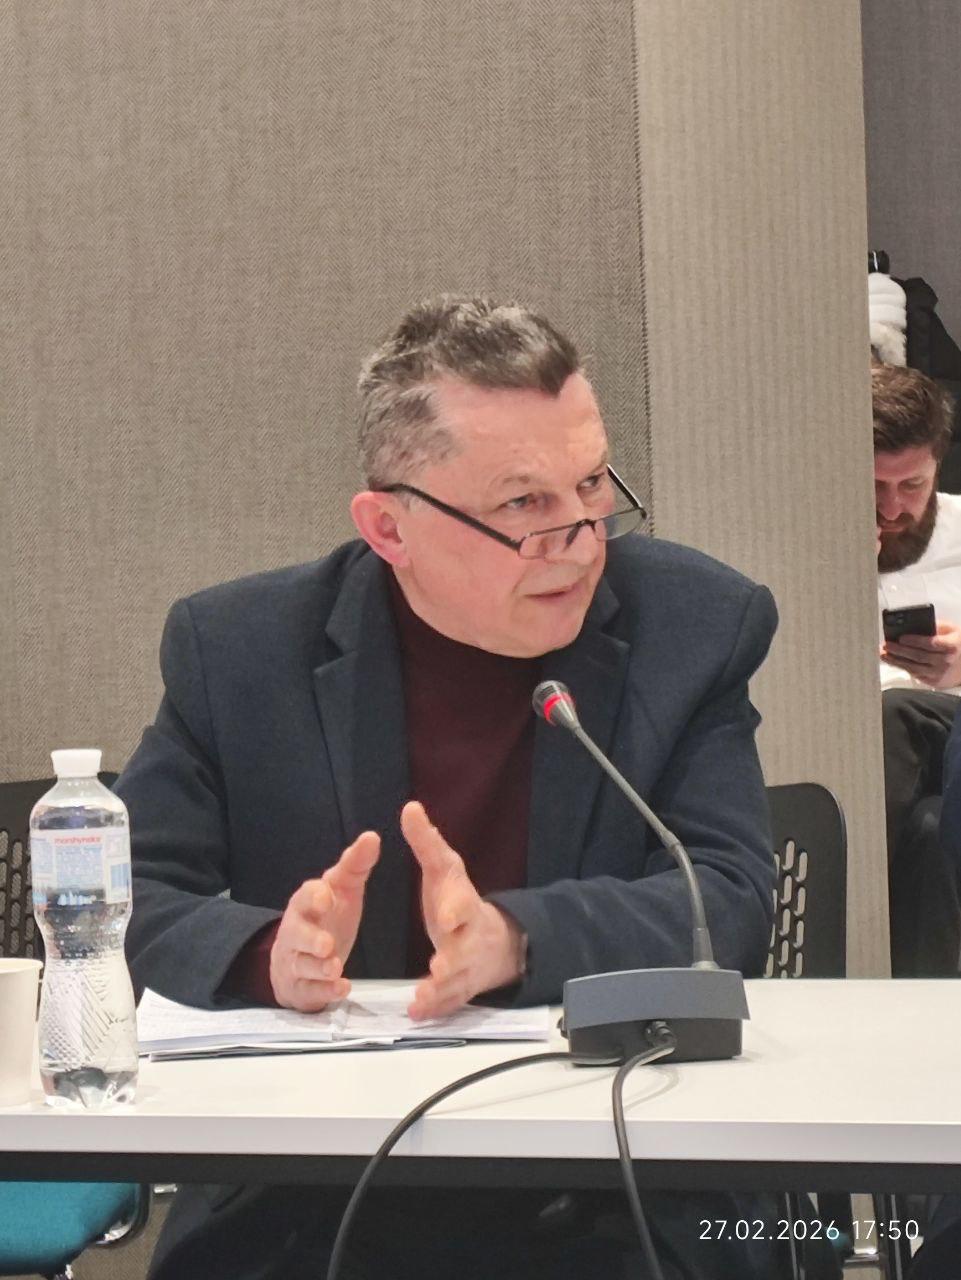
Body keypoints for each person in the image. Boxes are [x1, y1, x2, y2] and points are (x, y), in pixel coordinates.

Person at [117, 296, 786, 1279]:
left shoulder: (693, 625)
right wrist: (267, 954)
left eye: (591, 485)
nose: (580, 540)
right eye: (522, 506)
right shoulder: (239, 651)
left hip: (618, 1178)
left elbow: (724, 898)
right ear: (389, 527)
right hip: (318, 1184)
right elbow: (119, 898)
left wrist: (514, 938)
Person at [873, 361, 961, 976]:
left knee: (895, 712)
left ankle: (843, 897)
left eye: (912, 485)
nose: (892, 507)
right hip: (861, 751)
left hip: (947, 723)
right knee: (929, 834)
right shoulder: (809, 546)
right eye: (875, 486)